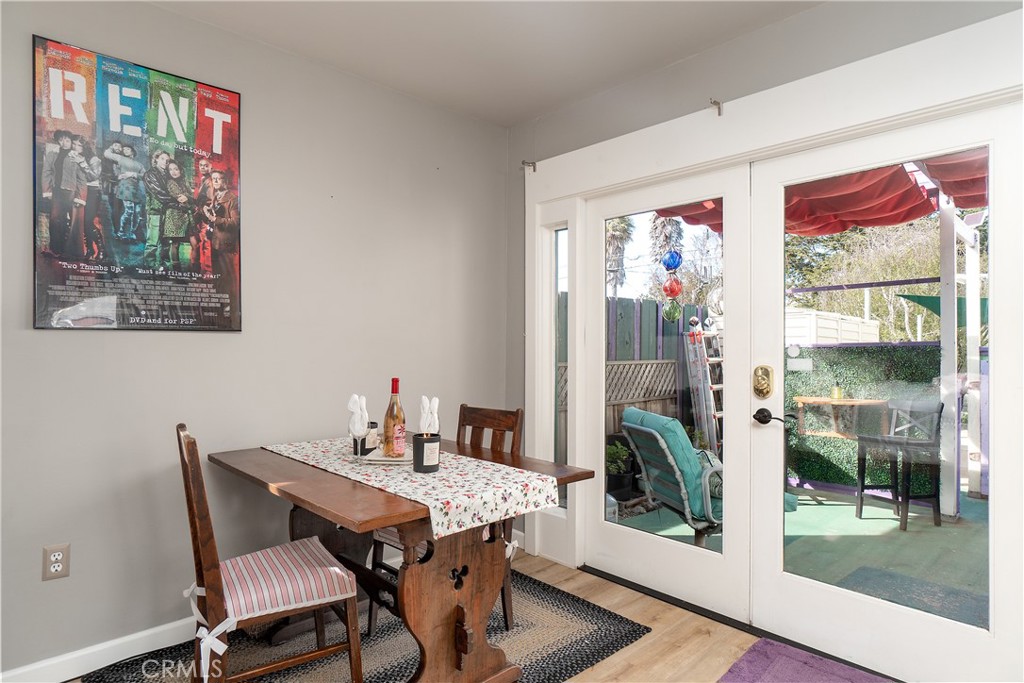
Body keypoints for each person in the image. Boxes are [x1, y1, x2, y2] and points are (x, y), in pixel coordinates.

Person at [40, 130, 86, 256]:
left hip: (71, 192)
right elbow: (46, 172)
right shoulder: (52, 154)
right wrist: (47, 191)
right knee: (55, 220)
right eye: (61, 140)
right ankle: (55, 250)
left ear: (71, 142)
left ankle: (69, 251)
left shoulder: (76, 157)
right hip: (56, 191)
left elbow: (82, 179)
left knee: (71, 222)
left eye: (66, 140)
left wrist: (80, 197)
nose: (63, 143)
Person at [203, 170, 240, 326]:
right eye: (214, 179)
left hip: (226, 245)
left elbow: (235, 223)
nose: (216, 181)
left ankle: (232, 312)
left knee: (228, 278)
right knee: (218, 278)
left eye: (219, 179)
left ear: (226, 181)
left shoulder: (233, 199)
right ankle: (222, 308)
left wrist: (215, 219)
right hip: (216, 243)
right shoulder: (215, 198)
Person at [142, 150, 175, 268]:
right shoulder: (150, 174)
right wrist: (176, 201)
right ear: (156, 159)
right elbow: (159, 193)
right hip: (155, 211)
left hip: (168, 211)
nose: (165, 162)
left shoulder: (168, 175)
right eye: (162, 159)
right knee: (152, 242)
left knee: (166, 242)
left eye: (167, 160)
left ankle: (164, 266)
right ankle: (150, 267)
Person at [107, 143, 146, 241]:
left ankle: (132, 233)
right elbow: (107, 154)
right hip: (126, 188)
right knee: (129, 211)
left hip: (136, 190)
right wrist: (112, 147)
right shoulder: (120, 158)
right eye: (124, 149)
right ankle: (121, 232)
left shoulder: (139, 164)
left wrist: (133, 174)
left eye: (127, 149)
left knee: (137, 213)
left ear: (132, 151)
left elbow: (145, 176)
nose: (125, 151)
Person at [161, 160, 194, 272]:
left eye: (175, 169)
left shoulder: (184, 181)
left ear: (180, 169)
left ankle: (192, 267)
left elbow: (191, 197)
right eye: (170, 170)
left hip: (186, 215)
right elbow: (180, 198)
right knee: (175, 243)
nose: (173, 172)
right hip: (174, 215)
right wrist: (189, 198)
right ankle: (176, 270)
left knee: (193, 241)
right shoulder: (170, 182)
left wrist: (189, 197)